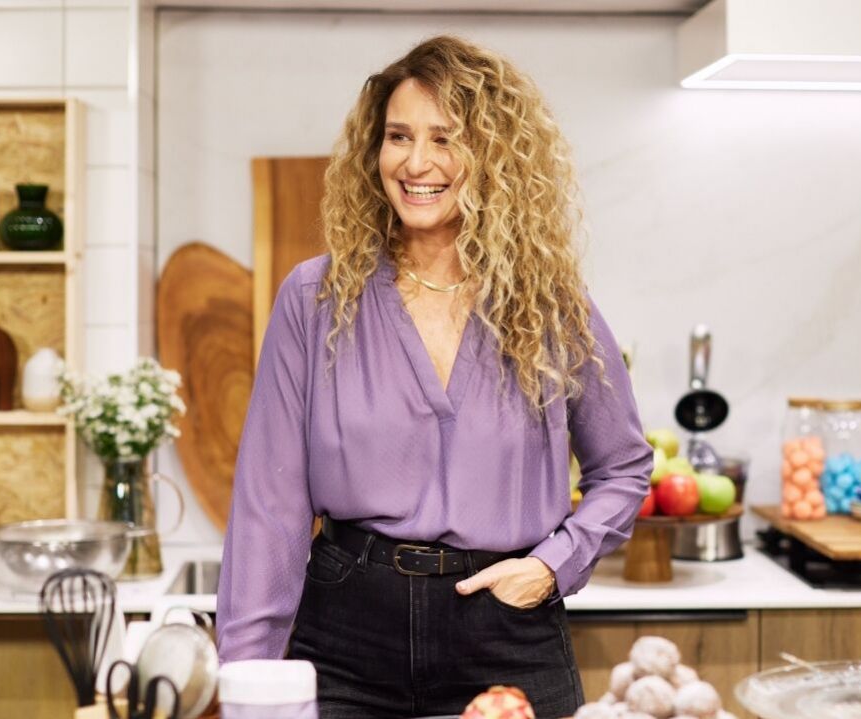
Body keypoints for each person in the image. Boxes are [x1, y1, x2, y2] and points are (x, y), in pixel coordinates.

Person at [217, 34, 652, 719]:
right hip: (345, 637)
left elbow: (623, 467)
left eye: (446, 138)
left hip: (507, 635)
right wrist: (245, 683)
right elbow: (268, 509)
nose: (416, 162)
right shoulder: (315, 297)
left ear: (495, 157)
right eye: (399, 136)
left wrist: (552, 565)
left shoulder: (550, 305)